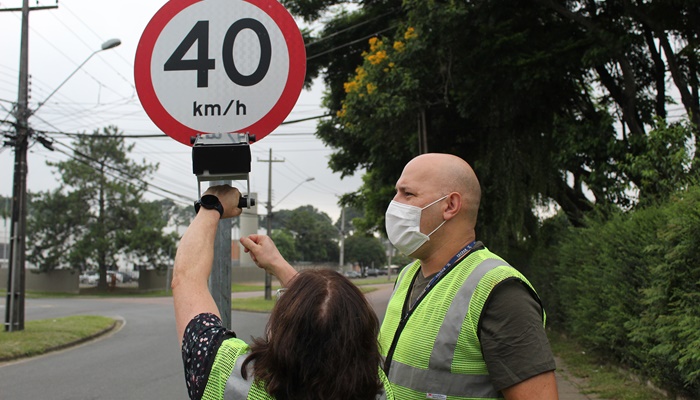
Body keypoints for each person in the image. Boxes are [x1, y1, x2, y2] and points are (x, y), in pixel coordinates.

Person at [171, 184, 394, 400]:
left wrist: (213, 204)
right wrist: (278, 264)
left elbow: (187, 278)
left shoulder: (231, 376)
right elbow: (333, 318)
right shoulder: (380, 388)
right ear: (363, 337)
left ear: (283, 334)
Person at [379, 153, 558, 400]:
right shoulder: (407, 276)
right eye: (396, 193)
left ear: (450, 206)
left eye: (407, 194)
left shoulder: (500, 291)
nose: (394, 203)